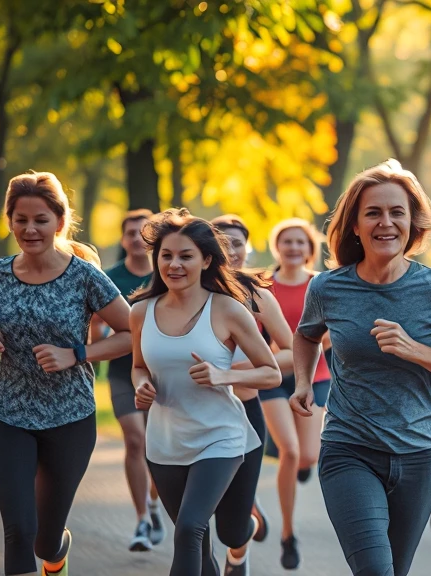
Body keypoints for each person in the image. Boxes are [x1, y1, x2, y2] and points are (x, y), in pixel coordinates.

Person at [289, 159, 431, 576]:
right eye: (374, 213)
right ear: (355, 226)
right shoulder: (328, 287)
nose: (386, 222)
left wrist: (415, 350)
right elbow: (306, 334)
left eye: (397, 212)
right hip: (349, 450)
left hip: (418, 457)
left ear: (412, 223)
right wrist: (303, 382)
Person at [0, 172, 133, 576]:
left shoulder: (84, 277)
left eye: (40, 219)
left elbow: (133, 333)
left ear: (60, 222)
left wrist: (77, 354)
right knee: (18, 529)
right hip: (7, 414)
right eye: (20, 219)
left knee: (43, 539)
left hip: (70, 417)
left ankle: (56, 552)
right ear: (10, 221)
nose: (30, 229)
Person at [130, 209, 281, 576]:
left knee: (191, 528)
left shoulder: (228, 308)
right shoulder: (141, 311)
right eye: (166, 256)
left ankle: (248, 525)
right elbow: (137, 366)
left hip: (221, 435)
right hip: (165, 440)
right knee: (197, 545)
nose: (174, 264)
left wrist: (222, 375)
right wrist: (141, 387)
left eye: (186, 256)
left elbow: (272, 372)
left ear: (206, 260)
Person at [211, 214, 295, 574]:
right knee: (196, 513)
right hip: (189, 416)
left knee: (231, 525)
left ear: (249, 248)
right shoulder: (185, 290)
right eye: (222, 244)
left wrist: (230, 374)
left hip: (244, 410)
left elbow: (292, 353)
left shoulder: (256, 294)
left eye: (238, 243)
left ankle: (239, 550)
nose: (231, 251)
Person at [91, 208, 167, 552]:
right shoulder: (109, 278)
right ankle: (141, 520)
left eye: (144, 232)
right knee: (136, 440)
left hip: (164, 372)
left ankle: (154, 502)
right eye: (131, 233)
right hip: (124, 370)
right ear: (123, 240)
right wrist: (96, 343)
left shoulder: (169, 273)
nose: (137, 238)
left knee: (158, 446)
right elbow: (94, 324)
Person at [258, 217, 330, 569]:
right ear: (277, 247)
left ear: (310, 248)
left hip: (315, 375)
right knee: (289, 451)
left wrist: (298, 354)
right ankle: (288, 533)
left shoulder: (321, 284)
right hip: (274, 376)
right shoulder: (262, 286)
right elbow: (252, 333)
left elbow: (330, 333)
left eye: (301, 242)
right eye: (287, 241)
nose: (294, 247)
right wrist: (274, 360)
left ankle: (304, 463)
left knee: (308, 456)